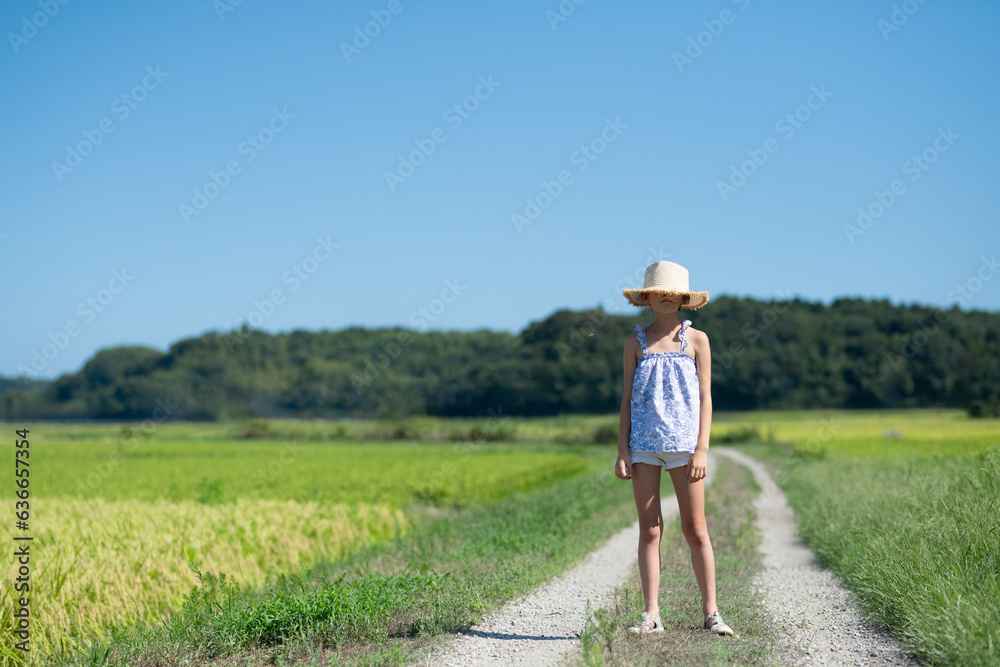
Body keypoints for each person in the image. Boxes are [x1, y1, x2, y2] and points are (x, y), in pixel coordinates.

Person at [616, 260, 734, 637]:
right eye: (659, 290)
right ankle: (651, 614)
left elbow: (705, 396)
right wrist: (622, 449)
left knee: (695, 528)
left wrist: (702, 449)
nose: (667, 296)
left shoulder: (697, 340)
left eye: (674, 292)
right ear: (647, 297)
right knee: (650, 529)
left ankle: (712, 613)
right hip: (643, 447)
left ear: (684, 299)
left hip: (686, 448)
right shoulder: (634, 343)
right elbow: (626, 398)